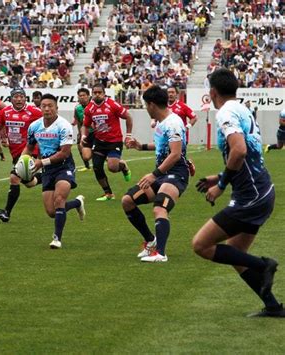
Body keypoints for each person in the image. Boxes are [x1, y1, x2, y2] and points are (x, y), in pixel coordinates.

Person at [192, 68, 283, 317]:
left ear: (212, 92)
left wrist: (221, 186)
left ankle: (264, 265)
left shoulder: (225, 112)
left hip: (251, 197)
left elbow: (240, 150)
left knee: (200, 245)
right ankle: (274, 307)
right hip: (261, 191)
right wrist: (219, 176)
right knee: (236, 255)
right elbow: (249, 154)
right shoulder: (241, 108)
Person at [123, 86, 189, 262]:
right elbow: (162, 147)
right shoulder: (162, 122)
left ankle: (160, 253)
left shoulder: (173, 122)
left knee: (160, 207)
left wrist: (154, 174)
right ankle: (150, 241)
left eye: (145, 105)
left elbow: (175, 154)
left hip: (175, 173)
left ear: (151, 104)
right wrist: (141, 146)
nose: (146, 109)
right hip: (162, 173)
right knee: (128, 201)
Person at [23, 93, 85, 249]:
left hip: (64, 166)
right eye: (43, 106)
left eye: (50, 106)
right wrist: (21, 163)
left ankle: (57, 238)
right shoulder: (34, 126)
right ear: (40, 108)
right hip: (47, 170)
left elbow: (64, 152)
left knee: (59, 200)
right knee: (52, 211)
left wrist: (40, 162)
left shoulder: (64, 126)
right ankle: (77, 202)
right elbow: (29, 148)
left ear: (56, 108)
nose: (47, 109)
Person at [0, 88, 43, 222]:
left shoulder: (34, 112)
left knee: (14, 177)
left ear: (25, 98)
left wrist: (42, 153)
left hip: (30, 151)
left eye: (21, 96)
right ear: (11, 98)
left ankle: (6, 212)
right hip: (15, 152)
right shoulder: (5, 112)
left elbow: (48, 125)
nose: (19, 99)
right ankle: (48, 176)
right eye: (16, 96)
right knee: (29, 183)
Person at [82, 84, 133, 201]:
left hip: (114, 141)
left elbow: (128, 116)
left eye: (99, 92)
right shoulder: (89, 108)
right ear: (92, 94)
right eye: (95, 92)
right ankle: (108, 193)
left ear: (104, 93)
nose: (97, 94)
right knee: (97, 167)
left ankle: (123, 166)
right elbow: (85, 125)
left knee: (112, 168)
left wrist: (128, 135)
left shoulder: (112, 104)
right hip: (99, 141)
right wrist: (84, 136)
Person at [72, 88, 92, 172]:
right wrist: (80, 132)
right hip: (84, 131)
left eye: (84, 95)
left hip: (94, 132)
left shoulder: (93, 105)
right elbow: (77, 120)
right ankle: (87, 166)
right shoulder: (77, 108)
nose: (82, 97)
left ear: (88, 96)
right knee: (80, 147)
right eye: (80, 96)